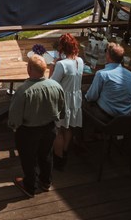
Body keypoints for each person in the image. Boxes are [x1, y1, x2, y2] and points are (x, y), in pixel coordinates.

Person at [8, 55, 65, 198]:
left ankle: (30, 186)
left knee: (28, 159)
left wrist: (15, 127)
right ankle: (46, 182)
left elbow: (14, 118)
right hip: (50, 128)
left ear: (29, 69)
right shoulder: (56, 86)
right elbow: (62, 111)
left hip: (28, 131)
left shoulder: (23, 91)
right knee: (46, 155)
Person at [50, 33, 84, 170]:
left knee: (57, 129)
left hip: (62, 99)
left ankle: (57, 158)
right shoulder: (80, 61)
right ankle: (64, 152)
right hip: (74, 99)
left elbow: (51, 83)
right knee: (68, 127)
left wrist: (52, 68)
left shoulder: (61, 65)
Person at [85, 43, 131, 120]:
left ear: (108, 56)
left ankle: (76, 130)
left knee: (79, 98)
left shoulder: (102, 74)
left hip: (106, 115)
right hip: (126, 117)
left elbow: (91, 97)